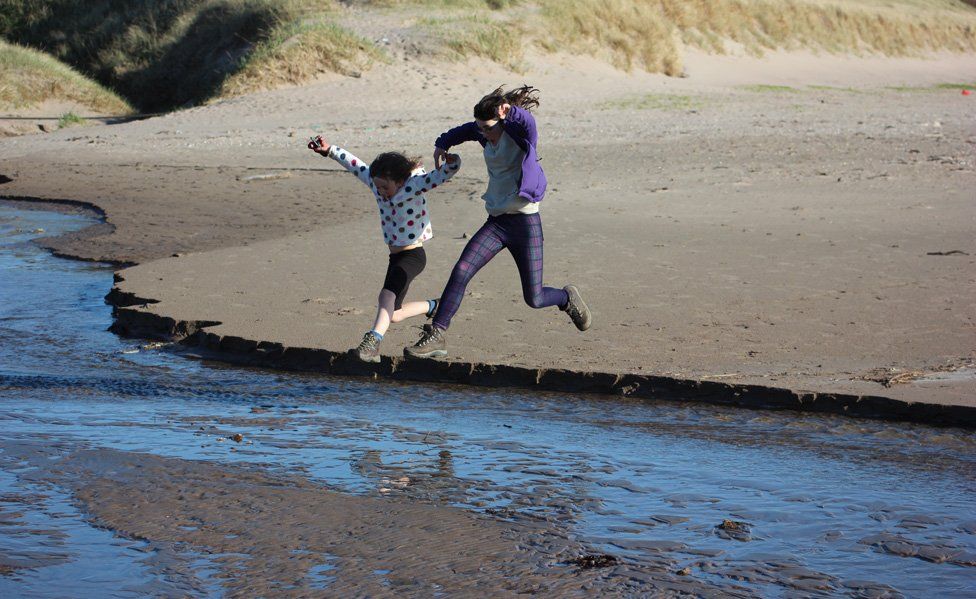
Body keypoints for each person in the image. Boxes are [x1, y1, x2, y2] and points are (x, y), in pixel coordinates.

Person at [404, 85, 590, 359]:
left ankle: (566, 297)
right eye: (481, 128)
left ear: (503, 119)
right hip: (497, 223)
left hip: (526, 224)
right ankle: (437, 334)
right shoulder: (484, 134)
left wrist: (511, 111)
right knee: (462, 269)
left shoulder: (522, 136)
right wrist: (442, 143)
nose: (484, 133)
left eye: (489, 128)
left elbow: (527, 121)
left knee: (535, 298)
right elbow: (465, 130)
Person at [308, 135, 460, 362]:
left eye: (385, 187)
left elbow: (439, 177)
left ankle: (372, 343)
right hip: (395, 257)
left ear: (399, 181)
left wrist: (453, 162)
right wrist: (330, 150)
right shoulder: (376, 183)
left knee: (385, 296)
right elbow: (355, 165)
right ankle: (434, 306)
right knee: (394, 314)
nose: (380, 192)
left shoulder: (414, 185)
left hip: (413, 255)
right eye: (377, 186)